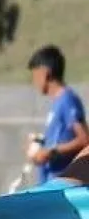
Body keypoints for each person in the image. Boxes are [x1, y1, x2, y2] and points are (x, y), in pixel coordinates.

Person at [27, 45, 88, 184]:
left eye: (35, 75)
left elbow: (84, 139)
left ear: (44, 73)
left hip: (62, 185)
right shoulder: (57, 103)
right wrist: (39, 144)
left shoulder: (67, 99)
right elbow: (60, 138)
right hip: (49, 182)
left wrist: (51, 152)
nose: (34, 81)